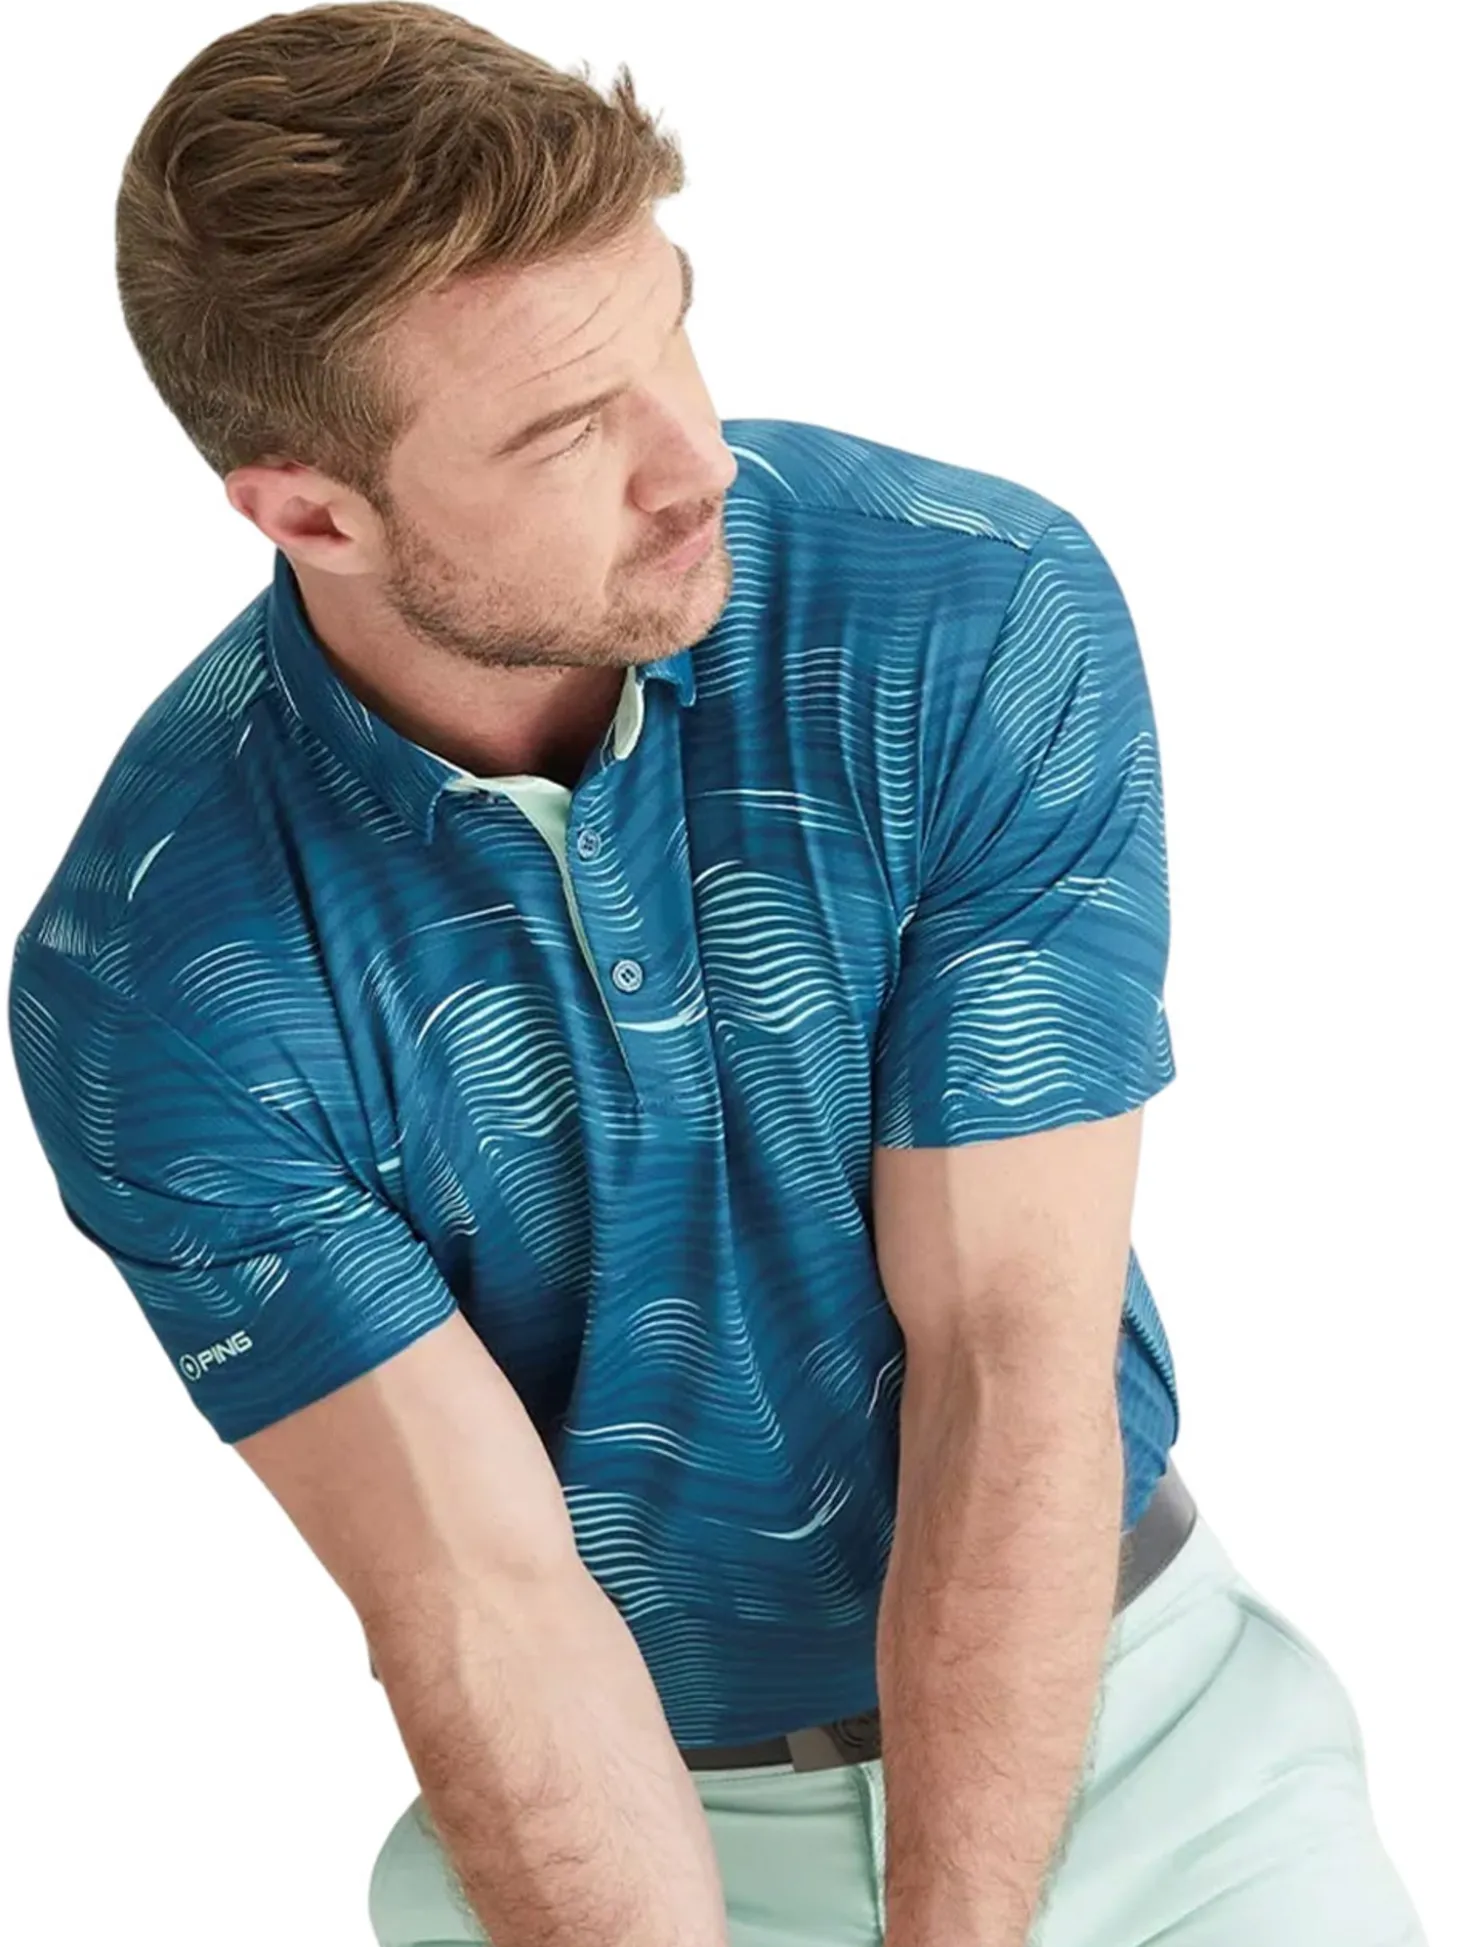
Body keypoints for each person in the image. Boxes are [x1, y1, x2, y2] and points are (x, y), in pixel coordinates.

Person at [6, 6, 1429, 1946]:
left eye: (666, 327)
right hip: (628, 1810)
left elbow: (1008, 1356)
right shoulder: (159, 967)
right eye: (563, 430)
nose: (693, 465)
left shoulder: (963, 606)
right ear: (309, 512)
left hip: (1143, 1737)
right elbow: (485, 1605)